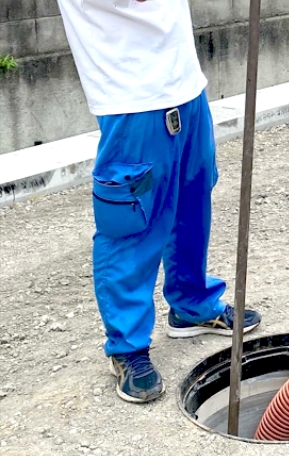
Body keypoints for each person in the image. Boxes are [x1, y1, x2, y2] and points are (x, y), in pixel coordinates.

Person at [55, 0, 262, 403]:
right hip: (130, 99)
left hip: (184, 84)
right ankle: (127, 347)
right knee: (132, 225)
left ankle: (191, 304)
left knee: (191, 206)